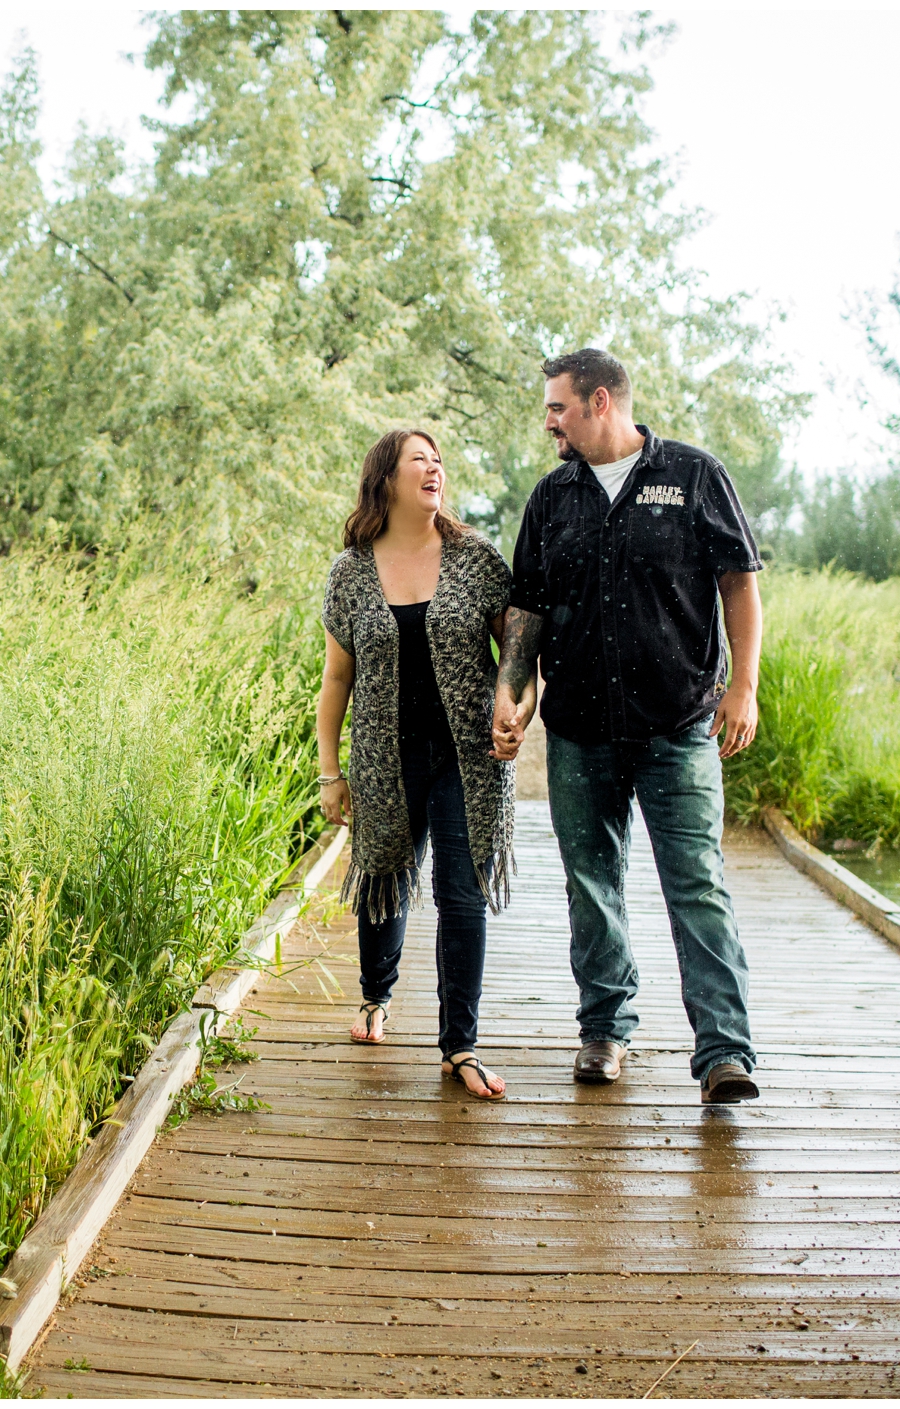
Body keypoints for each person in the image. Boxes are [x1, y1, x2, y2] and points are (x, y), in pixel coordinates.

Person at [490, 348, 764, 1105]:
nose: (549, 421)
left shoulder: (695, 476)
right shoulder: (551, 500)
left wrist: (744, 686)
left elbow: (739, 582)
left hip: (678, 726)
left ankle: (724, 1052)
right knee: (591, 884)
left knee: (697, 883)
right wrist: (513, 692)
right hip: (580, 729)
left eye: (558, 407)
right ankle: (605, 1027)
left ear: (600, 401)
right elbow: (528, 610)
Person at [318, 428, 520, 1101]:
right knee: (384, 878)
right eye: (419, 460)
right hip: (382, 756)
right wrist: (329, 769)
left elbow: (518, 655)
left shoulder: (476, 559)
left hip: (468, 757)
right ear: (387, 479)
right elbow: (337, 679)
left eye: (439, 460)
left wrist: (517, 708)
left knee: (461, 894)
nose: (434, 468)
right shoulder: (351, 571)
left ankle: (458, 1045)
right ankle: (377, 995)